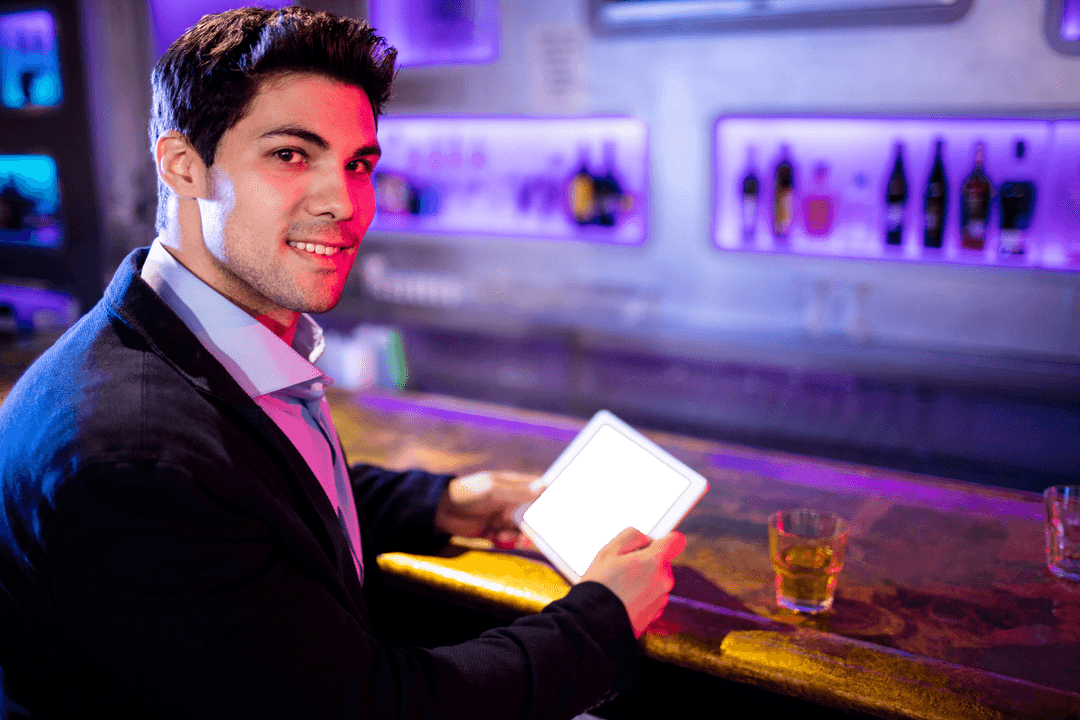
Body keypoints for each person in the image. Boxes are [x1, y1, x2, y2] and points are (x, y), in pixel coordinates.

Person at [0, 7, 685, 719]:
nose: (347, 204)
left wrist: (447, 504)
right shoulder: (135, 458)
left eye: (358, 164)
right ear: (183, 166)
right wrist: (600, 620)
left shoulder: (184, 340)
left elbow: (261, 494)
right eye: (292, 154)